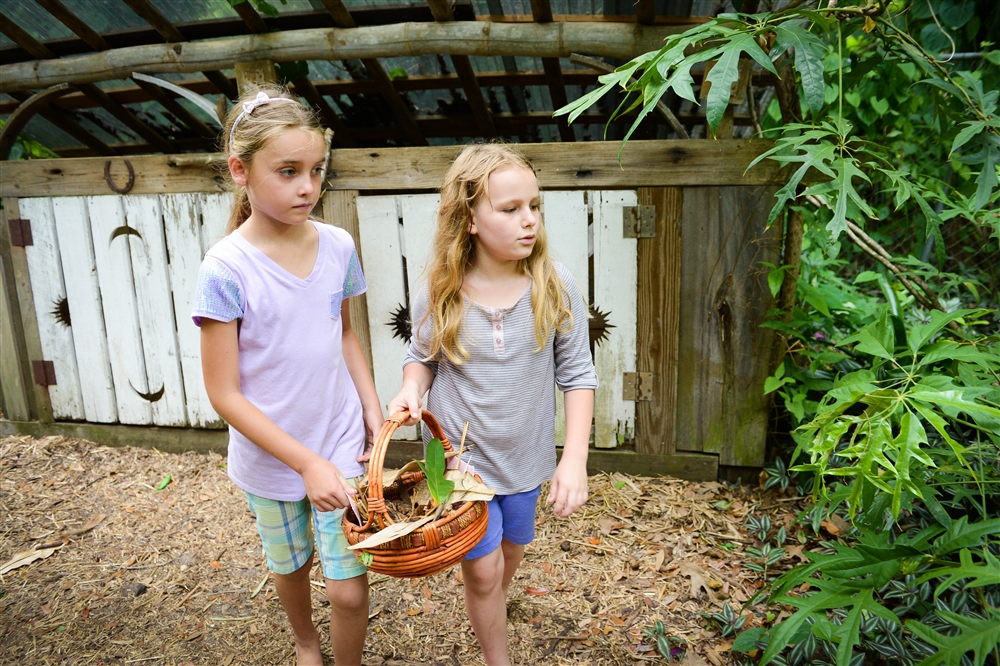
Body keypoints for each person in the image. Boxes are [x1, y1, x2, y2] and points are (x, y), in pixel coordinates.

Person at [192, 85, 382, 666]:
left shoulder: (338, 244)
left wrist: (372, 408)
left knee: (349, 590)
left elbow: (344, 333)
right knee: (291, 564)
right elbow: (223, 393)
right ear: (240, 171)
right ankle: (306, 643)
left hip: (340, 444)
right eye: (289, 171)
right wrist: (303, 463)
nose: (308, 186)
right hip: (270, 459)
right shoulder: (225, 269)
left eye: (316, 170)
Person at [388, 142, 598, 665]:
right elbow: (423, 358)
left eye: (534, 206)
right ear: (470, 220)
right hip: (465, 466)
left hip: (526, 462)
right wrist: (412, 387)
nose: (529, 221)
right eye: (510, 209)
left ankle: (491, 605)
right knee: (481, 571)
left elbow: (577, 375)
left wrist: (574, 458)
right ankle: (495, 653)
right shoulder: (442, 291)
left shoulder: (554, 286)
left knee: (510, 552)